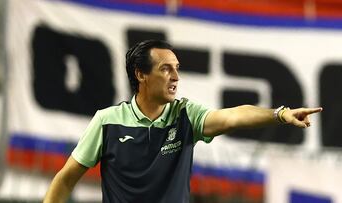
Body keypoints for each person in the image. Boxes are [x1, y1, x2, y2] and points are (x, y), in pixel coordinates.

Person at [43, 40, 322, 203]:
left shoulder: (185, 115)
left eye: (177, 69)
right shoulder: (107, 121)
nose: (175, 77)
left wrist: (280, 114)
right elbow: (65, 180)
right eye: (166, 69)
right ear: (140, 74)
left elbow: (233, 116)